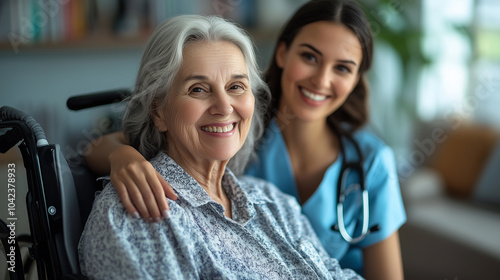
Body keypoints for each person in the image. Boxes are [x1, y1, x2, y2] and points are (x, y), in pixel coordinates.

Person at [84, 0, 406, 278]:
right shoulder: (142, 214)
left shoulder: (276, 203)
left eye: (237, 87)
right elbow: (114, 141)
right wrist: (120, 156)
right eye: (198, 89)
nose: (225, 108)